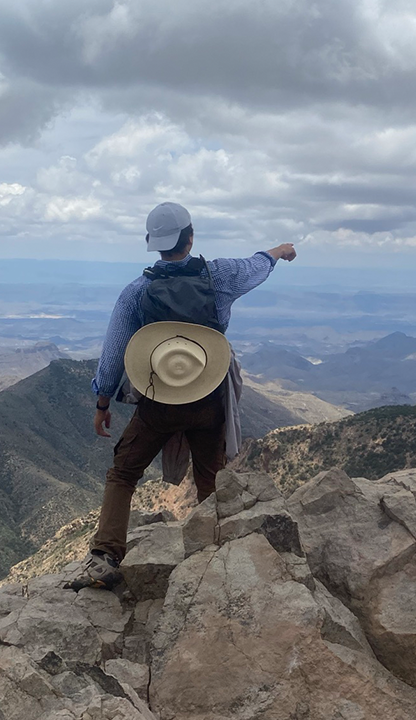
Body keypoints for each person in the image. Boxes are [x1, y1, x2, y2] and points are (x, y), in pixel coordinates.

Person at [66, 201, 296, 591]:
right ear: (191, 237)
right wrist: (279, 251)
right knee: (210, 475)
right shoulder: (219, 275)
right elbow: (256, 266)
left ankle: (105, 555)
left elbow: (112, 357)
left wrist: (102, 404)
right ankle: (214, 553)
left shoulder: (137, 292)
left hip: (159, 402)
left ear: (152, 244)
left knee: (123, 472)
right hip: (209, 397)